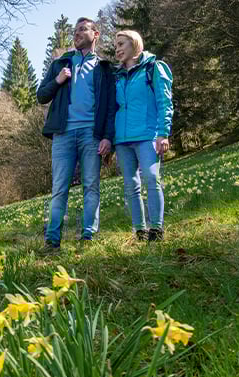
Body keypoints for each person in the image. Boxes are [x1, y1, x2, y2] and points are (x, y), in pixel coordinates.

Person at [36, 17, 116, 253]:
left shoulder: (104, 68)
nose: (77, 34)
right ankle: (52, 240)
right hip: (63, 134)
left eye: (83, 29)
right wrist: (58, 80)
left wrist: (107, 137)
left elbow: (110, 106)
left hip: (92, 134)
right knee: (59, 188)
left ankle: (88, 236)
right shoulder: (61, 63)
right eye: (75, 31)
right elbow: (41, 95)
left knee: (91, 186)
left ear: (96, 34)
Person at [112, 30, 173, 241]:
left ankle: (156, 228)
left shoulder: (153, 68)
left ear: (135, 44)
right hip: (122, 139)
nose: (117, 49)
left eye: (121, 44)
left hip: (147, 135)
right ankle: (140, 231)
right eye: (116, 46)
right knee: (131, 185)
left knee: (152, 178)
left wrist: (163, 133)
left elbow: (164, 102)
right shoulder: (116, 76)